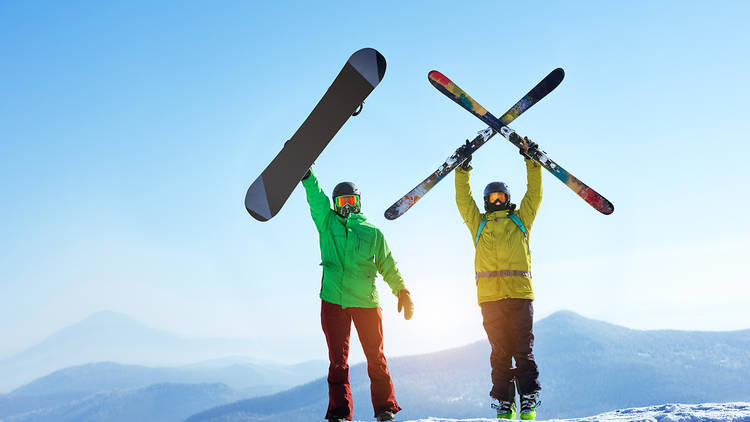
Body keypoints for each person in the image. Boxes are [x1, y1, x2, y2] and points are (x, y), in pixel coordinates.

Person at [301, 167, 414, 422]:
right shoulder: (326, 223)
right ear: (335, 204)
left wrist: (402, 291)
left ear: (359, 202)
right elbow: (316, 197)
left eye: (351, 201)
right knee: (337, 362)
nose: (347, 207)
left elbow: (388, 265)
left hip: (366, 302)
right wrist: (307, 175)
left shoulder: (372, 233)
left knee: (376, 358)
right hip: (334, 301)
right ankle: (340, 413)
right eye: (342, 202)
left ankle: (385, 409)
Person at [454, 139, 543, 420]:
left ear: (507, 198)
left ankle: (527, 401)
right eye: (492, 199)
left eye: (500, 198)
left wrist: (532, 162)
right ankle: (505, 403)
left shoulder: (521, 220)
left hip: (519, 295)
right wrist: (462, 170)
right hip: (490, 299)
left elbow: (535, 194)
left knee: (523, 351)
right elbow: (462, 200)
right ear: (485, 202)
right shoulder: (478, 224)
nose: (496, 202)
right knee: (500, 353)